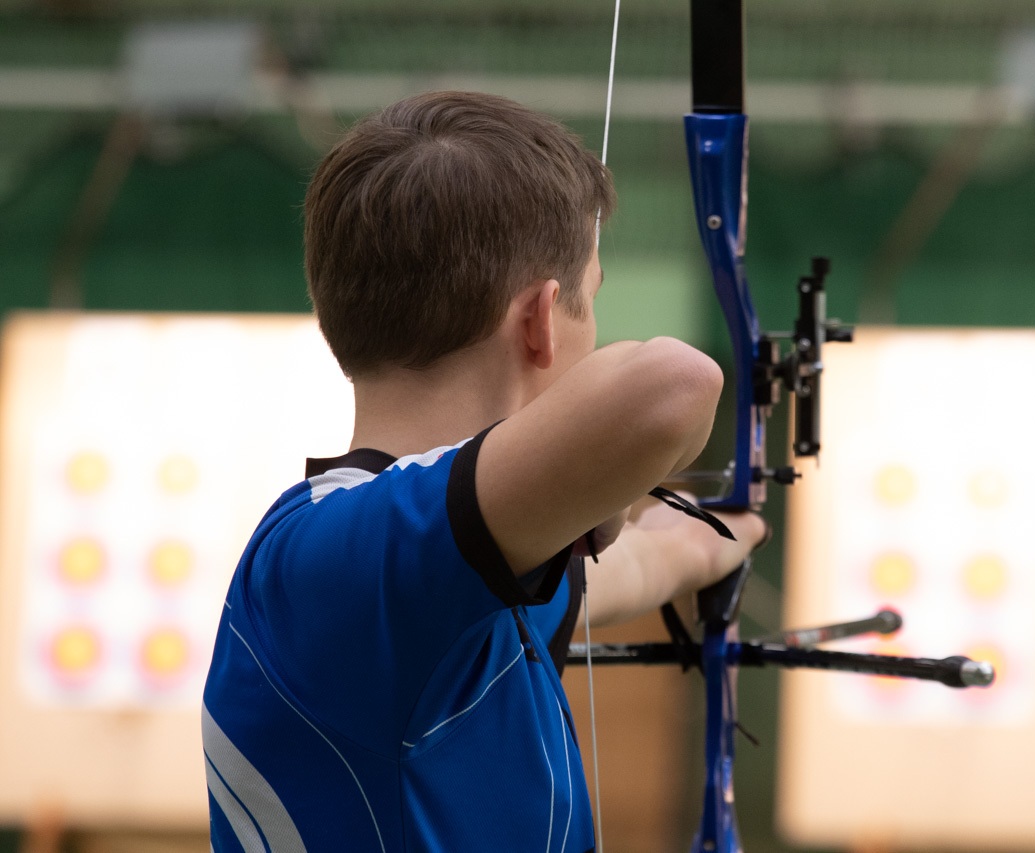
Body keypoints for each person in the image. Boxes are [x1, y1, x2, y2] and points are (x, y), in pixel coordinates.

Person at [201, 90, 766, 852]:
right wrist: (601, 489)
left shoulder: (448, 570)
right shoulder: (342, 557)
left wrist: (714, 537)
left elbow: (633, 565)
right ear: (541, 320)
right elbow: (676, 384)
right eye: (592, 297)